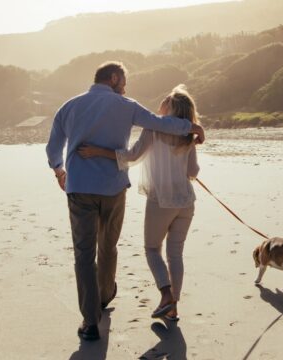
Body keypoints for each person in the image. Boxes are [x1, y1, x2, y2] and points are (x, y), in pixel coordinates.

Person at [45, 62, 205, 341]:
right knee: (109, 246)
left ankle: (90, 320)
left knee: (84, 254)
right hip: (114, 188)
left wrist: (59, 170)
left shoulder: (68, 106)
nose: (126, 87)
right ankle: (106, 295)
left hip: (80, 187)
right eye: (124, 81)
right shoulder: (126, 105)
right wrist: (191, 127)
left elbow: (53, 148)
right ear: (115, 78)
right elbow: (160, 123)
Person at [78, 85, 200, 322]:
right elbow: (193, 171)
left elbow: (131, 156)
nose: (161, 102)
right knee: (176, 254)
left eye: (165, 99)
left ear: (171, 107)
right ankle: (173, 306)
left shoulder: (153, 130)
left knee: (152, 249)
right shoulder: (189, 136)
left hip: (160, 201)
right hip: (186, 202)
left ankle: (166, 296)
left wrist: (98, 151)